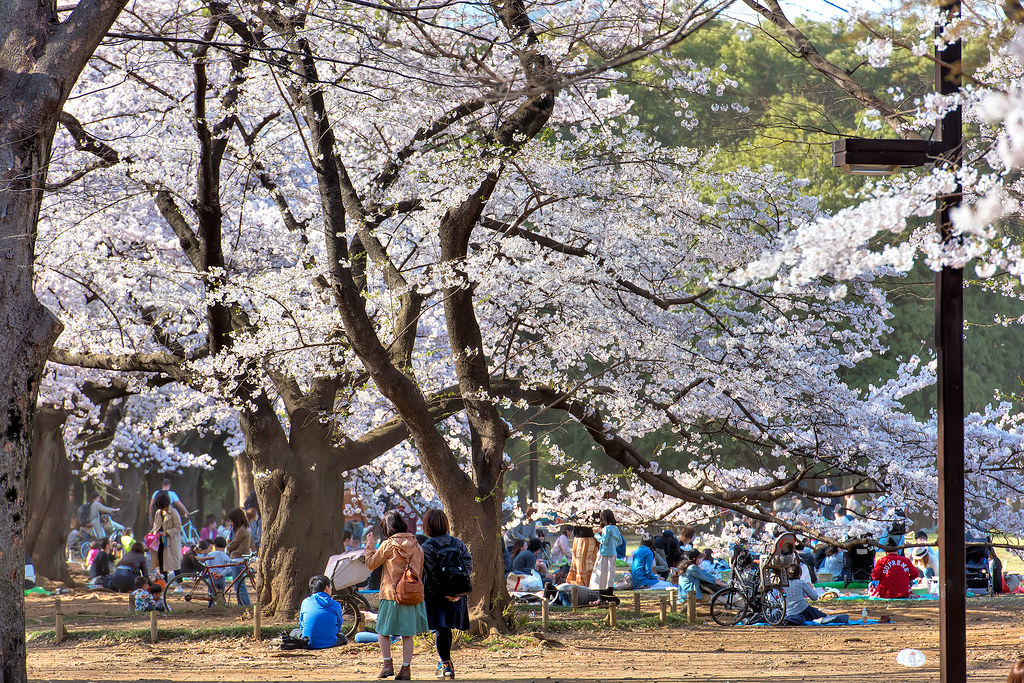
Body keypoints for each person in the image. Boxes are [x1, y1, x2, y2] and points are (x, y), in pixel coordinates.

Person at [365, 510, 429, 681]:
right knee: (408, 634)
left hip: (391, 594)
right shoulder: (416, 545)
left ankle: (387, 665)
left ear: (387, 527)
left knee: (382, 630)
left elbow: (371, 564)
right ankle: (406, 669)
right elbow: (420, 569)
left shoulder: (388, 545)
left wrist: (370, 545)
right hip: (412, 594)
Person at [421, 508, 472, 681]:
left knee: (441, 629)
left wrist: (443, 594)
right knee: (446, 630)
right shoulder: (457, 543)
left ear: (427, 526)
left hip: (437, 596)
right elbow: (468, 565)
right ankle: (443, 661)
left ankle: (446, 665)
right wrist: (456, 591)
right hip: (457, 595)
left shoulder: (427, 547)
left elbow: (429, 574)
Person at [290, 574, 348, 648]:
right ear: (326, 588)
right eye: (330, 586)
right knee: (343, 637)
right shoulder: (336, 605)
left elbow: (301, 624)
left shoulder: (305, 602)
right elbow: (338, 626)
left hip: (307, 643)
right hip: (330, 644)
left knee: (294, 632)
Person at [783, 564, 849, 625]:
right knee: (826, 617)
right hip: (803, 609)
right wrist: (811, 588)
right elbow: (814, 597)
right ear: (799, 574)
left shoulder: (783, 585)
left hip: (787, 612)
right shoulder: (801, 583)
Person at [589, 509, 622, 603]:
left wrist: (596, 535)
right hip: (613, 554)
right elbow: (619, 542)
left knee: (601, 574)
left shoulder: (607, 528)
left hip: (604, 554)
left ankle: (601, 595)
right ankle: (609, 593)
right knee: (610, 574)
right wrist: (612, 545)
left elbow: (604, 541)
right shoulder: (615, 528)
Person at [150, 491, 183, 581]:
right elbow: (156, 525)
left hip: (171, 541)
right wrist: (153, 533)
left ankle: (179, 584)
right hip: (160, 540)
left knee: (175, 563)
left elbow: (178, 527)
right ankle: (164, 582)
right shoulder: (158, 513)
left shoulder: (174, 512)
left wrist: (167, 532)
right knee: (161, 562)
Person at [225, 507, 254, 606]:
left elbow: (233, 543)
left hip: (237, 559)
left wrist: (227, 547)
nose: (230, 523)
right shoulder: (244, 529)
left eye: (231, 520)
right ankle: (241, 604)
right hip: (238, 558)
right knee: (238, 585)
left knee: (239, 586)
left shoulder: (242, 530)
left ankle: (245, 605)